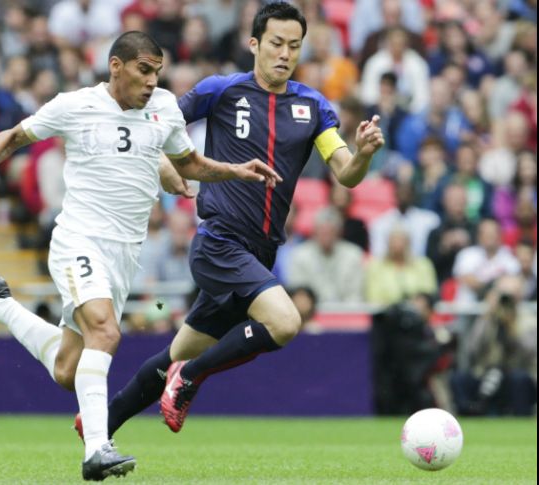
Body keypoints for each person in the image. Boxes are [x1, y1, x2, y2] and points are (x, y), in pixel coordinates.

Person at [0, 31, 281, 482]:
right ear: (116, 67)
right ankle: (97, 449)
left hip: (124, 254)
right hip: (79, 240)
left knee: (69, 370)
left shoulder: (163, 108)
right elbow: (13, 137)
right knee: (105, 333)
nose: (152, 81)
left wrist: (234, 171)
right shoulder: (76, 105)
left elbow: (187, 164)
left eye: (157, 71)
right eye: (144, 70)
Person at [102, 2, 384, 438]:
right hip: (219, 241)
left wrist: (363, 153)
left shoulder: (314, 108)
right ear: (254, 44)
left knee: (174, 352)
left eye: (294, 45)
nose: (285, 53)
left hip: (259, 254)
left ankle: (101, 425)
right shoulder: (221, 90)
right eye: (276, 43)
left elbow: (346, 174)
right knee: (286, 323)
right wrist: (165, 169)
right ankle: (191, 378)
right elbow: (153, 126)